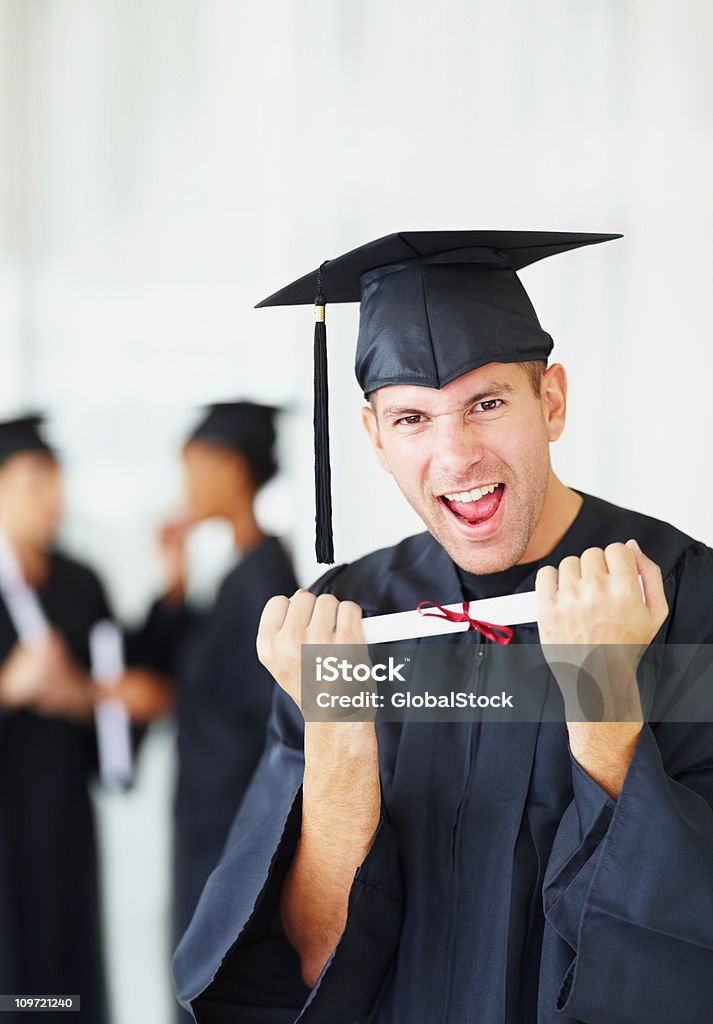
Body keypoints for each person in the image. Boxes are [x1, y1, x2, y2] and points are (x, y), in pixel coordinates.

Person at [172, 232, 713, 1024]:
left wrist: (602, 698)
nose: (454, 454)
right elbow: (314, 958)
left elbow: (679, 952)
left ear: (551, 401)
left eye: (486, 403)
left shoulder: (680, 597)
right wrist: (338, 732)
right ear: (374, 438)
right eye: (411, 418)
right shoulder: (346, 618)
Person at [131, 401, 298, 967]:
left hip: (230, 826)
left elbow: (271, 717)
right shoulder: (238, 575)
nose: (186, 487)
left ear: (232, 470)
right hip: (210, 818)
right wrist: (173, 581)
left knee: (213, 973)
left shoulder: (264, 585)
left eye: (194, 468)